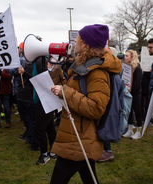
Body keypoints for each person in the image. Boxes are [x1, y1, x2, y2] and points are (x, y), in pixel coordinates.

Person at [50, 24, 122, 183]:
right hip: (79, 136)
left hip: (78, 139)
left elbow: (96, 109)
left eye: (79, 39)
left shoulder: (97, 72)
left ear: (87, 45)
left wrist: (65, 92)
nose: (75, 41)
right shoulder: (84, 67)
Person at [122, 49, 143, 140]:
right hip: (128, 93)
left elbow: (137, 84)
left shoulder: (137, 68)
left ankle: (138, 131)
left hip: (136, 94)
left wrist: (130, 90)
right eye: (125, 55)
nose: (125, 57)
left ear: (132, 57)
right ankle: (130, 130)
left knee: (137, 111)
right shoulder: (126, 67)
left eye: (127, 56)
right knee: (129, 111)